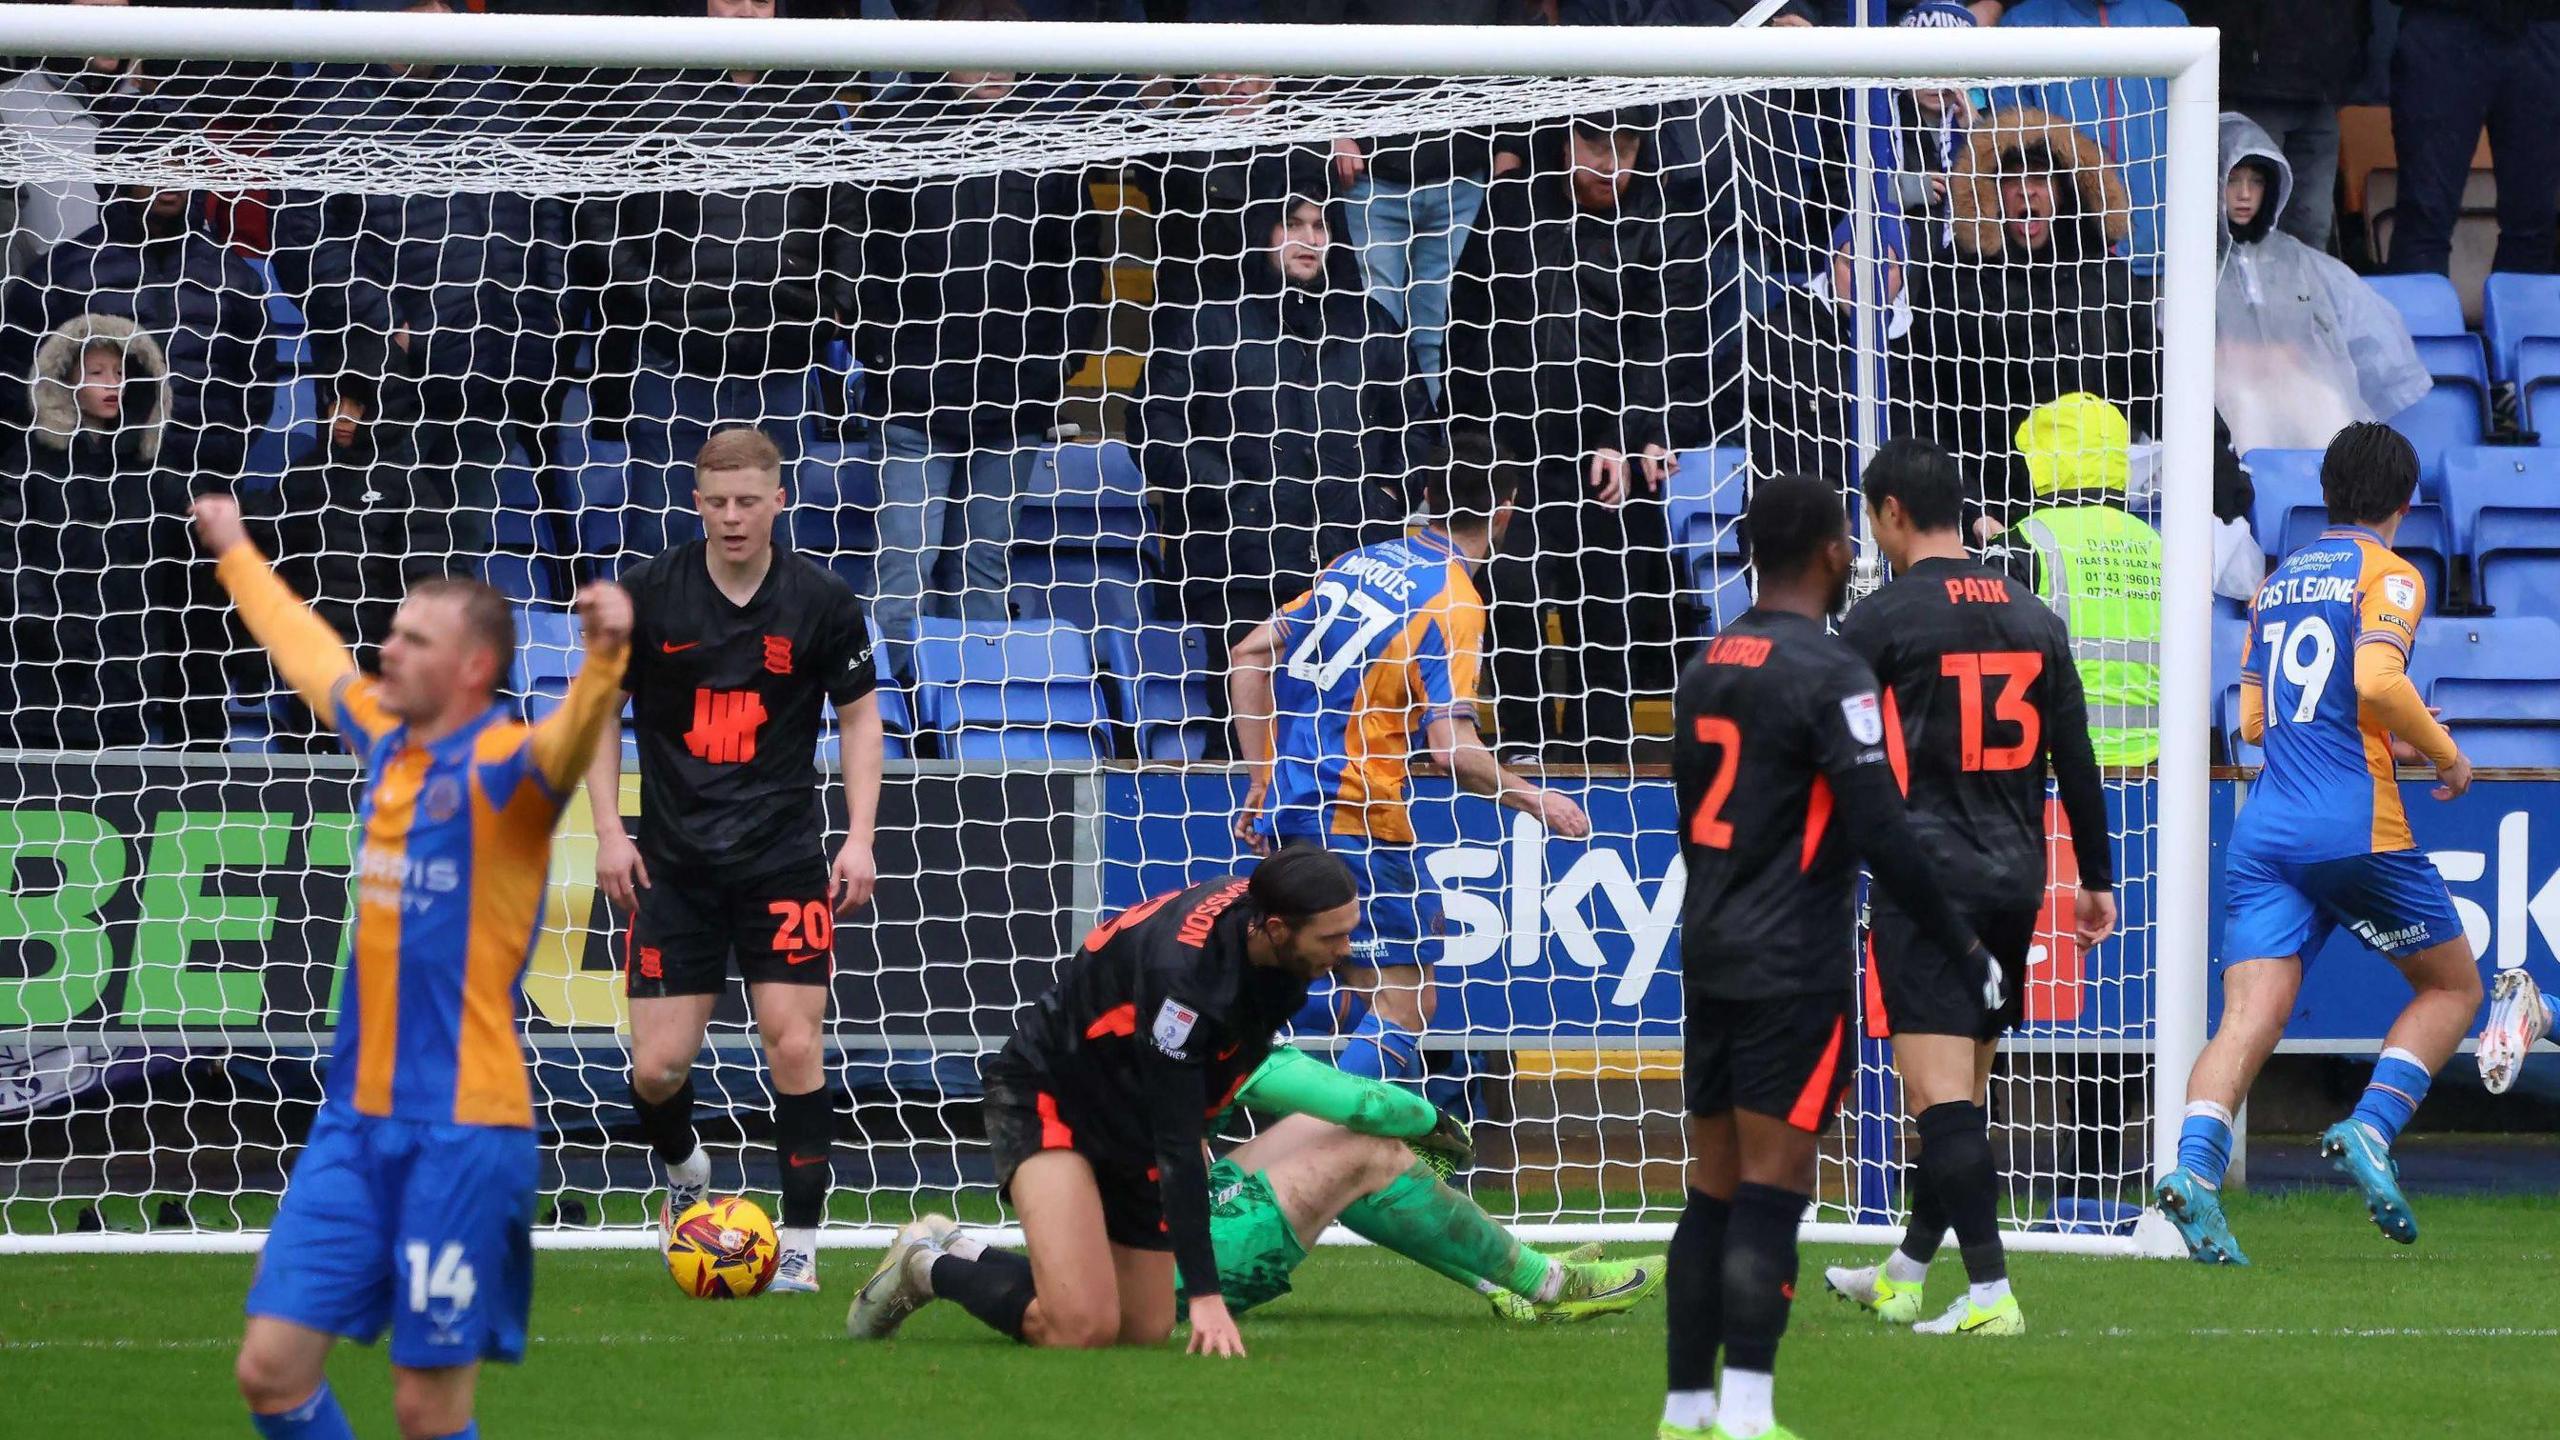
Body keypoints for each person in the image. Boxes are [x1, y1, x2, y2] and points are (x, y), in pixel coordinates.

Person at [199, 494, 631, 1440]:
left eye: (413, 639)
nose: (386, 650)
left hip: (463, 1132)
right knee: (270, 1374)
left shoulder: (508, 773)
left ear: (474, 668)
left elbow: (568, 743)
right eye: (390, 634)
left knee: (425, 1412)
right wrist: (236, 551)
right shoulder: (386, 741)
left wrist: (604, 662)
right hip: (353, 1122)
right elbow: (309, 653)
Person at [1662, 474, 1994, 1440]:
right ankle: (1751, 1412)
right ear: (1832, 553)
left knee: (1708, 1193)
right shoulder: (1833, 670)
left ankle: (1685, 1409)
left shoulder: (1706, 665)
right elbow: (1884, 829)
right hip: (1792, 962)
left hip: (1710, 948)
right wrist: (1961, 941)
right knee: (1773, 1190)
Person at [2154, 422, 2489, 1265]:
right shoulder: (2391, 574)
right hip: (2352, 826)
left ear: (2327, 493)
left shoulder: (2275, 585)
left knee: (2245, 1019)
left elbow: (2262, 720)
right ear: (2404, 504)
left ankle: (2193, 1174)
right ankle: (2372, 1128)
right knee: (2452, 990)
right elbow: (2377, 680)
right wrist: (2445, 756)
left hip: (2265, 829)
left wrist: (2386, 735)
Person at [1818, 440, 2116, 1338]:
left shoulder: (1882, 621)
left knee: (1938, 1100)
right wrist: (2095, 879)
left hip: (1927, 882)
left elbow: (1823, 742)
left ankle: (1990, 1294)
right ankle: (1907, 1273)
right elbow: (2079, 758)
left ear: (1892, 513)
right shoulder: (2034, 616)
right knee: (1965, 1094)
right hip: (2017, 879)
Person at [586, 427, 886, 1295]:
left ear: (778, 501)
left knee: (794, 1046)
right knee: (655, 1069)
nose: (732, 518)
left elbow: (861, 718)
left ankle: (798, 1249)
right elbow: (600, 713)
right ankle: (686, 1170)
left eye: (748, 501)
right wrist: (610, 828)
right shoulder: (651, 595)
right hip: (674, 865)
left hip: (783, 858)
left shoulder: (822, 599)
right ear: (695, 502)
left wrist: (859, 834)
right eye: (716, 503)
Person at [855, 850, 1359, 1356]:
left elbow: (1225, 1062)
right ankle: (925, 1268)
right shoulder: (1184, 983)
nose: (1346, 947)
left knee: (1142, 1329)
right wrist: (1206, 1295)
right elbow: (1176, 1145)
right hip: (1055, 1092)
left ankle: (962, 1249)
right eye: (1332, 936)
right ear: (1273, 927)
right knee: (1080, 1331)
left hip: (1132, 1105)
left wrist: (1201, 1124)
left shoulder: (1274, 944)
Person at [849, 1044, 1663, 1337]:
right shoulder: (1203, 1026)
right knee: (1367, 1144)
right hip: (1167, 1257)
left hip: (1164, 1215)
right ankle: (1542, 1285)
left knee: (1355, 1146)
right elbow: (1347, 1097)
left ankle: (1508, 1277)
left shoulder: (1162, 1016)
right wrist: (1430, 1120)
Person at [1226, 436, 1591, 1085]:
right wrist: (1536, 798)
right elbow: (1452, 751)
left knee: (1339, 986)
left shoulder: (1354, 562)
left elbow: (1249, 655)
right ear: (1505, 513)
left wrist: (1262, 775)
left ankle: (1286, 1128)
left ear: (1425, 495)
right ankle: (1333, 1158)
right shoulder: (1452, 601)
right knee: (1403, 1000)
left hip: (1293, 812)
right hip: (1357, 817)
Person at [1445, 109, 1718, 759]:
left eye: (1623, 146)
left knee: (1611, 602)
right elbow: (1467, 321)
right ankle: (1521, 740)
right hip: (1515, 453)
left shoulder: (1667, 217)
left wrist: (1630, 436)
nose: (1608, 162)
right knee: (1513, 592)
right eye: (1593, 143)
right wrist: (1471, 443)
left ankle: (1603, 742)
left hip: (1613, 457)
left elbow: (1668, 343)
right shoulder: (1511, 206)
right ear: (1564, 140)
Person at [269, 13, 572, 557]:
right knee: (373, 552)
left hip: (490, 367)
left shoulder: (494, 98)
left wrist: (542, 319)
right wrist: (386, 326)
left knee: (462, 551)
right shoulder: (328, 104)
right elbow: (301, 238)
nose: (436, 17)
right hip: (385, 381)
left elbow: (545, 216)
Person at [855, 43, 1103, 676]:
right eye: (977, 55)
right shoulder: (899, 132)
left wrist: (1059, 364)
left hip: (1014, 403)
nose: (993, 70)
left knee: (982, 568)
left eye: (1006, 57)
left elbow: (1080, 268)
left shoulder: (1052, 146)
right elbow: (865, 259)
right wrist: (881, 353)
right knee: (906, 560)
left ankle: (974, 710)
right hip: (915, 398)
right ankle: (893, 711)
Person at [577, 0, 859, 554]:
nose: (746, 12)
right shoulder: (652, 95)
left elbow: (848, 213)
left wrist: (832, 302)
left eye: (761, 0)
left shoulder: (813, 105)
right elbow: (598, 207)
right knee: (663, 539)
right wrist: (652, 294)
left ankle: (770, 647)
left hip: (780, 362)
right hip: (674, 361)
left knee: (773, 549)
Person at [1140, 178, 1429, 654]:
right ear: (1262, 229)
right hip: (1236, 569)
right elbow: (1154, 425)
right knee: (1241, 724)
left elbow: (1418, 427)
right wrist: (1232, 494)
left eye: (1320, 226)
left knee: (1347, 724)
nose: (1309, 239)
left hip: (1351, 567)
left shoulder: (1371, 324)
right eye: (1292, 224)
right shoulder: (1208, 317)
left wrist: (1384, 498)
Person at [1894, 108, 2157, 533]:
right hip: (1991, 521)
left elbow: (2158, 383)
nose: (2026, 194)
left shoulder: (2109, 279)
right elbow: (1925, 409)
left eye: (2039, 180)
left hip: (2099, 519)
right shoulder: (1953, 281)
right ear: (1988, 193)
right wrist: (1968, 511)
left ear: (2065, 189)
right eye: (2010, 181)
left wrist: (2225, 491)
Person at [0, 312, 188, 751]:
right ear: (65, 377)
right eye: (98, 372)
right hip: (38, 676)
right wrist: (42, 621)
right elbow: (7, 550)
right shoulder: (29, 460)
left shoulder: (153, 469)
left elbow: (173, 573)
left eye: (121, 373)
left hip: (124, 679)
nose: (113, 384)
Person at [2214, 111, 2428, 456]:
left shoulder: (2296, 258)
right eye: (2232, 180)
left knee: (2328, 401)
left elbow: (2364, 321)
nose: (2244, 194)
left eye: (2256, 182)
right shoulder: (2191, 262)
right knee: (2247, 406)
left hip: (2293, 381)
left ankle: (2340, 504)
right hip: (2222, 393)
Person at [1978, 394, 2163, 769]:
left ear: (2042, 462)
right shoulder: (2157, 544)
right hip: (2154, 767)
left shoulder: (2022, 544)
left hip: (2050, 770)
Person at [1986, 0, 2191, 276]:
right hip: (2064, 265)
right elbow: (2009, 152)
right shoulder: (2023, 23)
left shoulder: (2169, 20)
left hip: (2159, 260)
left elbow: (2193, 145)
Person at [2386, 0, 2560, 278]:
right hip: (2443, 20)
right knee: (2424, 214)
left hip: (2543, 26)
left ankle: (2517, 321)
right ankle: (2417, 321)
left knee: (2535, 221)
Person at [2180, 0, 2369, 252]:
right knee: (2243, 227)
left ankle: (2302, 293)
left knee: (2312, 227)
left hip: (2324, 83)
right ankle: (2240, 292)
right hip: (2249, 80)